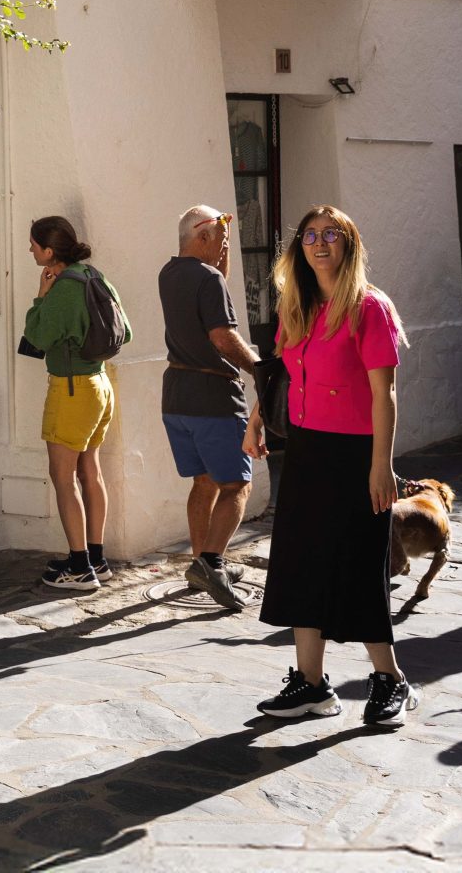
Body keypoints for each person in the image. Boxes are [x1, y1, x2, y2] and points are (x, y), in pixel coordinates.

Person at [247, 203, 419, 731]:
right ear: (299, 247)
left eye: (332, 235)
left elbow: (383, 392)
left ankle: (390, 679)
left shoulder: (369, 308)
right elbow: (283, 373)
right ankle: (312, 685)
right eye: (310, 235)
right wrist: (256, 419)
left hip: (355, 455)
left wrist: (380, 466)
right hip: (305, 450)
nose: (319, 244)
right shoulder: (297, 305)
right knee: (300, 563)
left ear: (349, 245)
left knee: (359, 567)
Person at [160, 202, 263, 614]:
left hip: (177, 396)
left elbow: (209, 290)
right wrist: (259, 369)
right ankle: (213, 563)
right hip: (212, 397)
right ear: (202, 237)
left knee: (204, 482)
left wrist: (219, 263)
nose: (225, 247)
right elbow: (222, 336)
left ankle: (199, 562)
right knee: (238, 485)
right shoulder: (207, 279)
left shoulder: (170, 272)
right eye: (220, 239)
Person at [22, 214, 118, 593]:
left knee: (63, 477)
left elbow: (37, 334)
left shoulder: (63, 288)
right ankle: (96, 558)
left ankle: (79, 567)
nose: (30, 249)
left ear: (48, 251)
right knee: (90, 472)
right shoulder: (93, 276)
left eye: (33, 244)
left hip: (72, 389)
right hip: (99, 383)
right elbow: (124, 329)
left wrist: (41, 296)